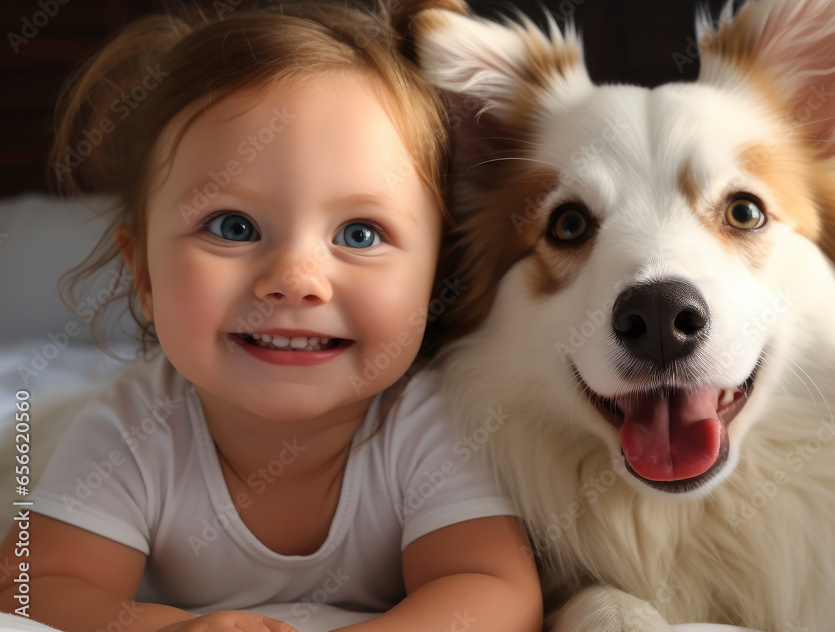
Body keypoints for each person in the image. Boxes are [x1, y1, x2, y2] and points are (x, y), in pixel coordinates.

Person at [0, 2, 542, 631]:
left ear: (437, 278)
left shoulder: (432, 420)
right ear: (144, 275)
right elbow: (30, 587)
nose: (294, 279)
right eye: (233, 227)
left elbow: (494, 591)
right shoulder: (134, 425)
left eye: (361, 233)